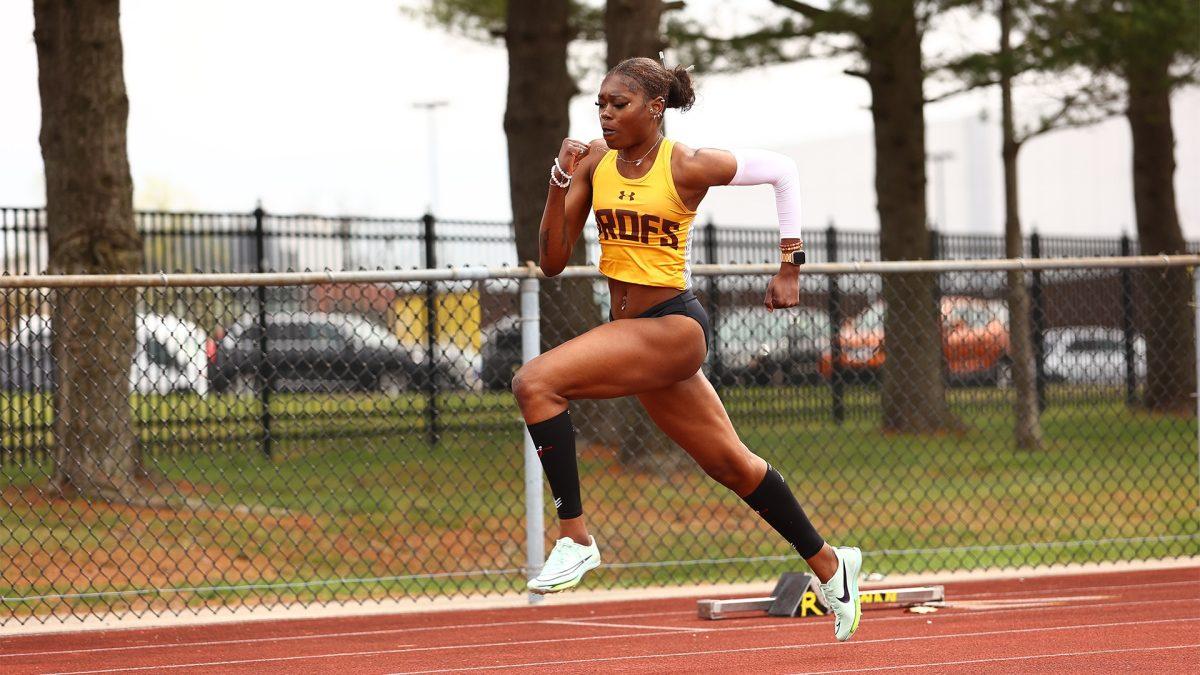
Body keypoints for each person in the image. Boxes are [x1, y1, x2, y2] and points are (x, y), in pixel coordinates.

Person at [510, 56, 862, 642]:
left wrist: (790, 266)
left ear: (654, 108)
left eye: (617, 104)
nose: (604, 114)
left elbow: (783, 171)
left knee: (535, 382)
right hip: (635, 337)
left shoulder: (688, 165)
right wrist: (558, 180)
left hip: (672, 328)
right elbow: (550, 262)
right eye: (599, 103)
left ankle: (574, 537)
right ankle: (831, 564)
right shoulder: (595, 163)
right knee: (731, 464)